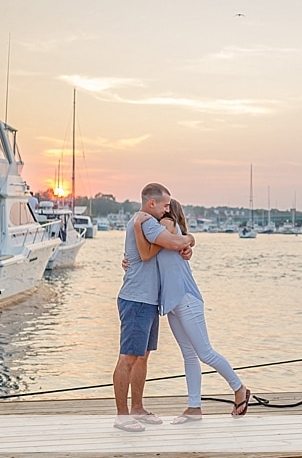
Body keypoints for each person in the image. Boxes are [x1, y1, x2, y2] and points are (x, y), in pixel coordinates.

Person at [133, 198, 250, 424]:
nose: (162, 211)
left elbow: (154, 248)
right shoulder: (171, 234)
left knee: (205, 352)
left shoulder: (166, 225)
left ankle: (239, 388)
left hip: (185, 298)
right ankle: (194, 408)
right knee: (189, 355)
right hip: (173, 302)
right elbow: (147, 256)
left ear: (171, 213)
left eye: (166, 208)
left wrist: (186, 240)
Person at [113, 183, 195, 432]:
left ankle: (137, 407)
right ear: (152, 203)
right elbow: (171, 243)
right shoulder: (146, 221)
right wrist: (190, 238)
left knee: (142, 357)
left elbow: (158, 252)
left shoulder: (145, 222)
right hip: (137, 299)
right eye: (165, 205)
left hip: (147, 300)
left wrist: (186, 246)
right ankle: (122, 415)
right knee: (128, 357)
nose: (168, 209)